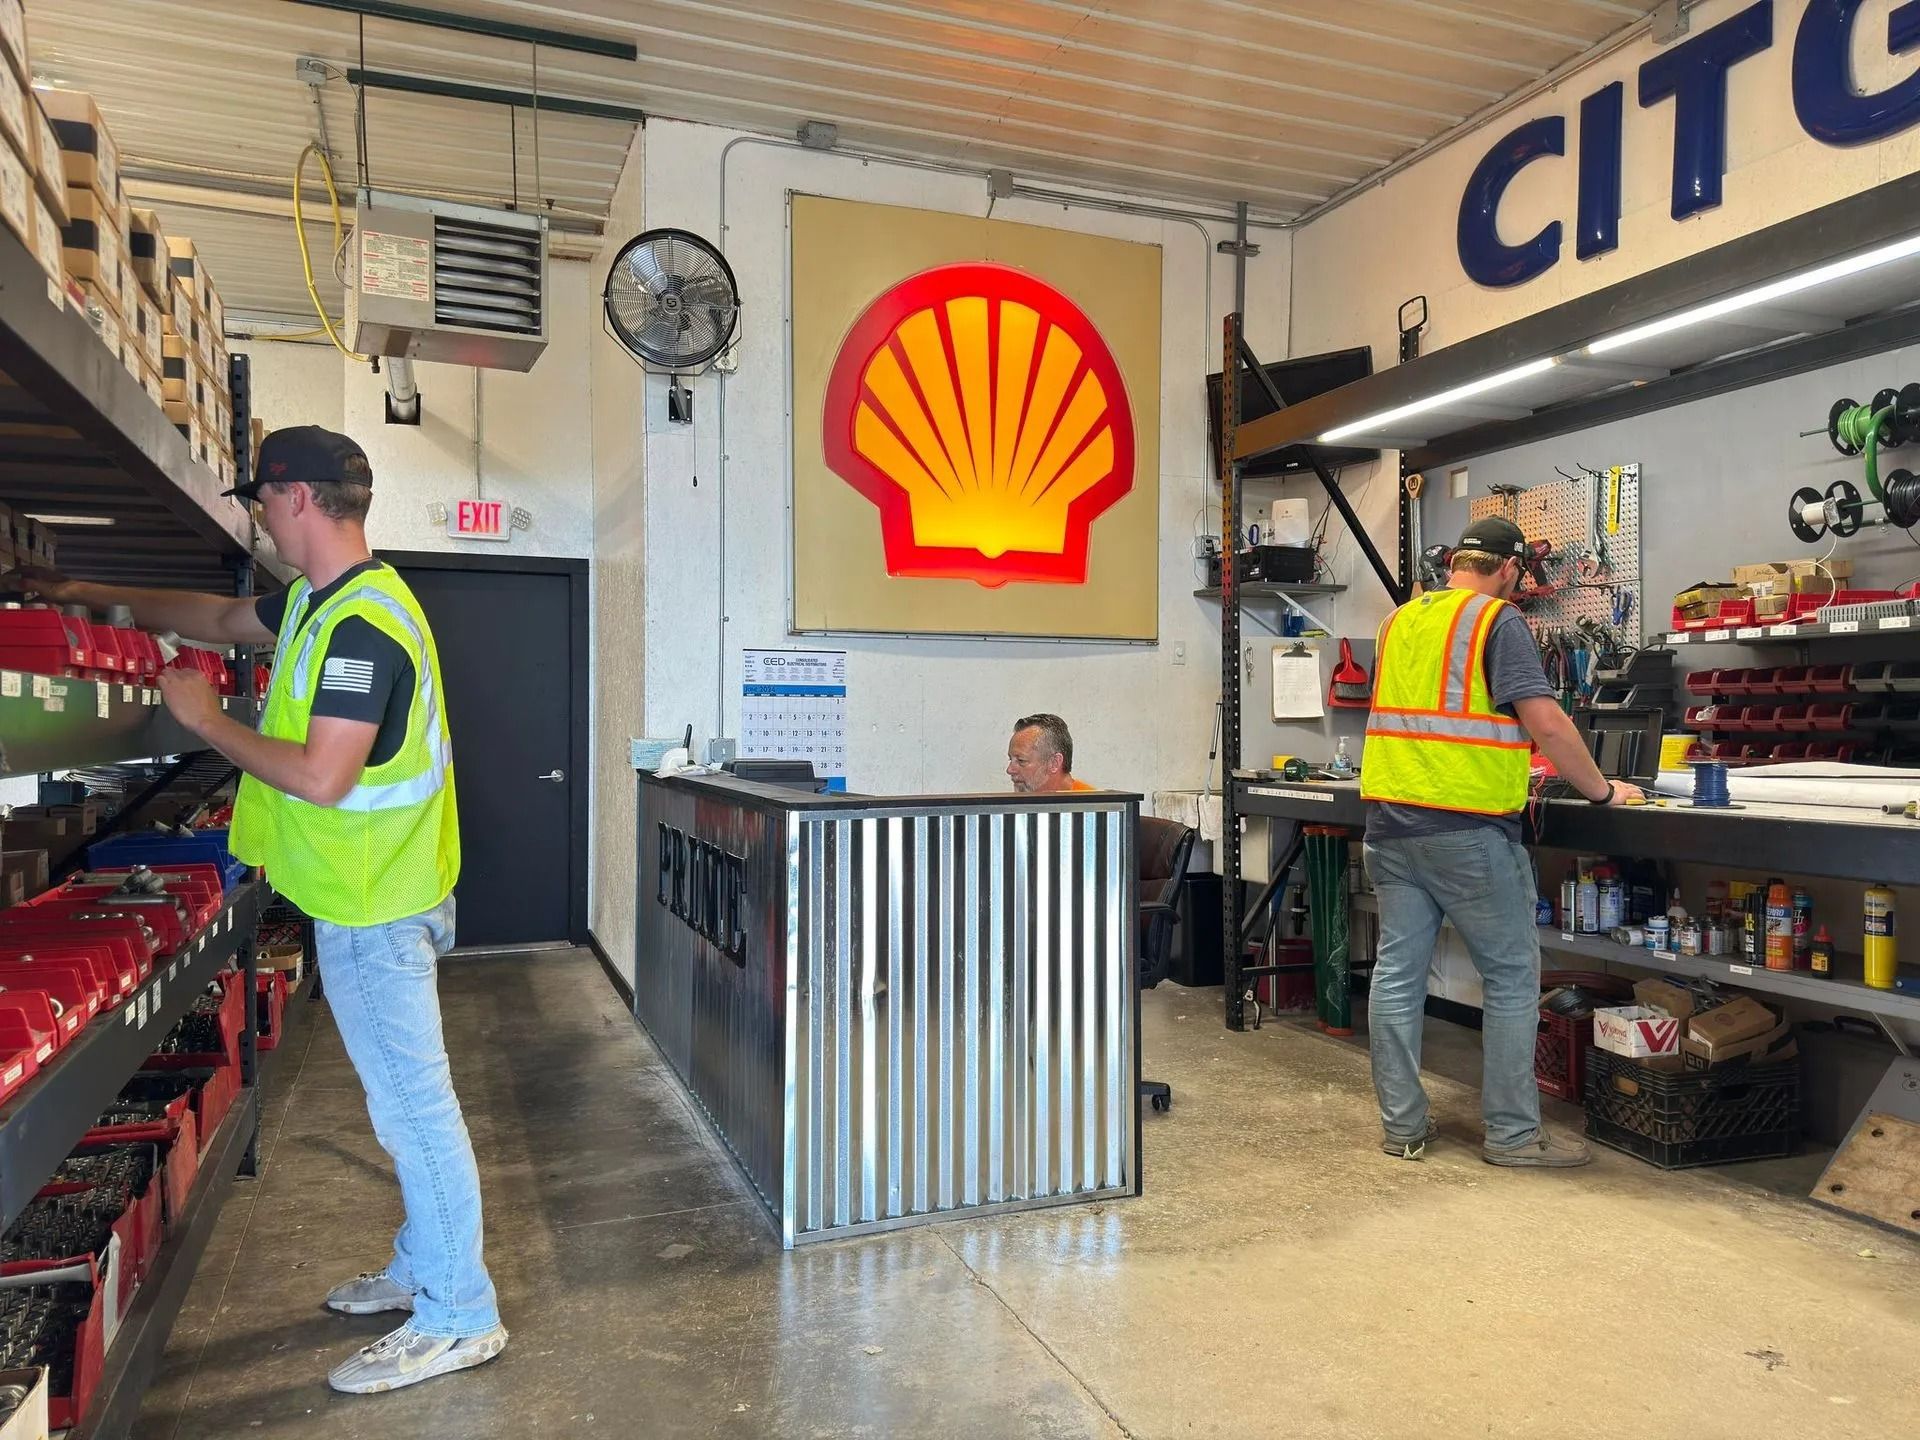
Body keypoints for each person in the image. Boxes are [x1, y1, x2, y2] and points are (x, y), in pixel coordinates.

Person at [13, 426, 505, 1394]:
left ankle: (461, 1313)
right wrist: (81, 599)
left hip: (378, 904)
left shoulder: (364, 627)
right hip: (361, 894)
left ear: (294, 502)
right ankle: (426, 1263)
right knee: (400, 1105)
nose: (259, 519)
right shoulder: (325, 606)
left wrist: (206, 722)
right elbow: (222, 618)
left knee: (415, 1111)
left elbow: (324, 777)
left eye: (260, 503)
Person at [1359, 517, 1645, 1169]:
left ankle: (1402, 1128)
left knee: (1398, 975)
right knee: (1513, 976)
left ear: (1457, 560)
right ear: (1511, 569)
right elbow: (1544, 720)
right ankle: (1515, 1137)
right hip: (1465, 831)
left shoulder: (1399, 620)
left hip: (1390, 827)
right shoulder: (1497, 620)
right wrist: (1602, 791)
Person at [1006, 713, 1097, 794]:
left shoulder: (1094, 808)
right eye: (1011, 759)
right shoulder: (1018, 807)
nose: (1009, 770)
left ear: (1054, 763)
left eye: (1021, 760)